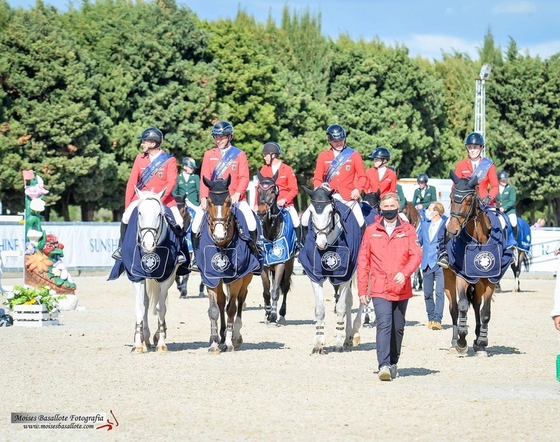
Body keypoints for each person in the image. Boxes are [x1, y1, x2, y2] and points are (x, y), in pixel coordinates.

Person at [357, 192, 422, 381]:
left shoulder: (408, 230)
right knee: (383, 323)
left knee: (398, 327)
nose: (389, 211)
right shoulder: (371, 231)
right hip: (379, 286)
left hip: (402, 287)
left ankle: (393, 362)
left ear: (398, 207)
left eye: (393, 207)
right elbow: (363, 261)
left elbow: (416, 255)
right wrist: (362, 289)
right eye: (386, 208)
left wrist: (406, 272)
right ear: (380, 209)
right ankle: (383, 365)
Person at [112, 127, 186, 263]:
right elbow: (132, 182)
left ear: (153, 143)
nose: (142, 144)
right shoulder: (139, 159)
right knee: (126, 217)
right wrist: (128, 205)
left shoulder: (170, 160)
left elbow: (171, 183)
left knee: (179, 221)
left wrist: (158, 200)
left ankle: (180, 252)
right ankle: (122, 249)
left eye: (144, 141)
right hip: (142, 198)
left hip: (164, 199)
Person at [191, 121, 258, 263]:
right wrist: (203, 197)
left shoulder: (239, 154)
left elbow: (244, 177)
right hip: (214, 200)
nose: (218, 140)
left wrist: (238, 194)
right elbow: (205, 177)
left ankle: (254, 255)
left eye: (222, 137)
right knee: (196, 223)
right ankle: (196, 258)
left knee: (251, 222)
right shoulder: (209, 154)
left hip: (235, 199)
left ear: (230, 137)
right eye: (216, 137)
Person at [437, 132, 499, 268]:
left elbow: (495, 186)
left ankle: (504, 251)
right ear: (467, 149)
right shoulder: (461, 165)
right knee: (446, 224)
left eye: (475, 147)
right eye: (470, 147)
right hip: (465, 205)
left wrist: (489, 198)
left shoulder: (488, 165)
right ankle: (444, 254)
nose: (472, 150)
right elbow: (455, 186)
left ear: (481, 148)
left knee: (501, 223)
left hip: (484, 203)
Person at [303, 124, 367, 228]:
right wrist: (319, 191)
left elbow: (362, 177)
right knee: (305, 220)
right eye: (335, 141)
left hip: (348, 196)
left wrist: (358, 189)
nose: (339, 143)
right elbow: (318, 178)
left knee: (360, 221)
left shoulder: (354, 155)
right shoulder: (323, 156)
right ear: (329, 141)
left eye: (341, 140)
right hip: (328, 196)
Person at [257, 141, 302, 245]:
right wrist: (256, 204)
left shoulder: (287, 169)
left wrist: (284, 200)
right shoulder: (264, 169)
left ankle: (299, 245)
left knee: (296, 221)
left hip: (285, 205)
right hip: (267, 205)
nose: (264, 158)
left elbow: (294, 189)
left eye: (265, 155)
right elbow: (258, 189)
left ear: (273, 155)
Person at [418, 202, 447, 330]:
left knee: (440, 292)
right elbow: (418, 241)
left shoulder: (445, 225)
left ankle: (437, 319)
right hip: (426, 263)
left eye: (429, 209)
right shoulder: (424, 225)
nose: (427, 211)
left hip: (440, 263)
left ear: (436, 212)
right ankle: (430, 318)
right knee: (427, 293)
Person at [496, 170, 518, 238]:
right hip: (498, 211)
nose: (505, 181)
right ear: (499, 180)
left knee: (514, 222)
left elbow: (512, 201)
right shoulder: (495, 189)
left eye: (506, 180)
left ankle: (514, 239)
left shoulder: (511, 188)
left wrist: (504, 207)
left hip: (509, 211)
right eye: (503, 180)